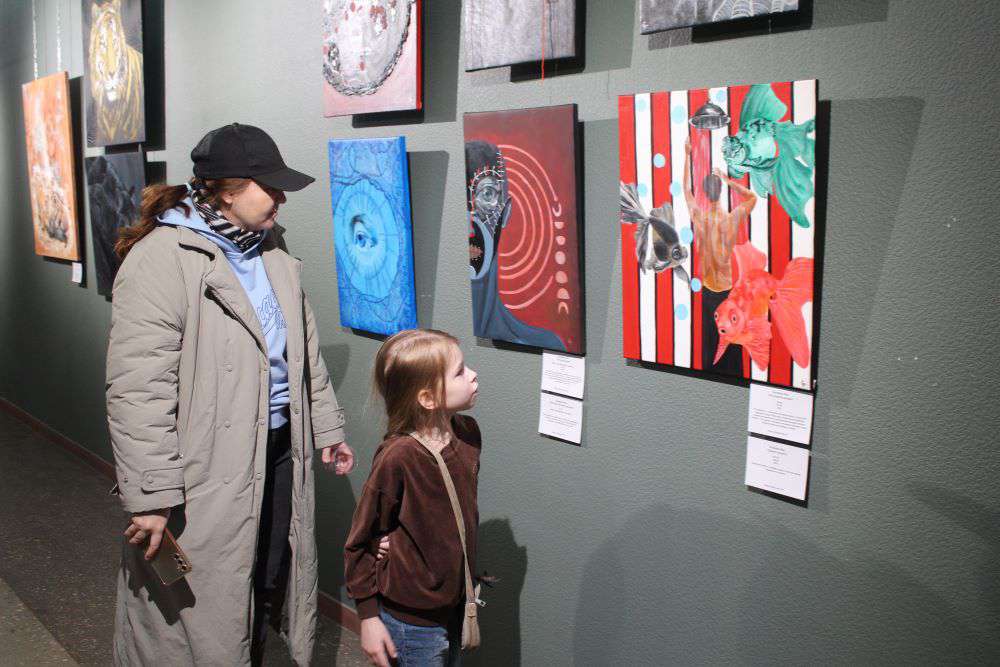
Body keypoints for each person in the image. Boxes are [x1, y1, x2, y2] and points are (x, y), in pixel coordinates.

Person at [106, 122, 357, 665]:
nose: (282, 197)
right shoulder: (162, 259)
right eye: (271, 186)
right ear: (226, 190)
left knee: (268, 575)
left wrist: (327, 427)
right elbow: (138, 390)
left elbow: (302, 347)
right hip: (204, 464)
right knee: (197, 604)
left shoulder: (271, 249)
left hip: (279, 450)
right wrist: (150, 495)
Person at [344, 329, 483, 667]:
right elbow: (360, 539)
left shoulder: (468, 434)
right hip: (411, 621)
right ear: (427, 398)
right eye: (459, 372)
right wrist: (368, 617)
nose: (473, 374)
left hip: (454, 604)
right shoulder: (398, 456)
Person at [684, 138, 757, 373]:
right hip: (727, 291)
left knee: (710, 348)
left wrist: (687, 155)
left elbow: (686, 191)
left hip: (709, 290)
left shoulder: (700, 218)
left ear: (705, 194)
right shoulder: (732, 219)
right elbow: (752, 197)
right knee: (731, 347)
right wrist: (728, 180)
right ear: (720, 191)